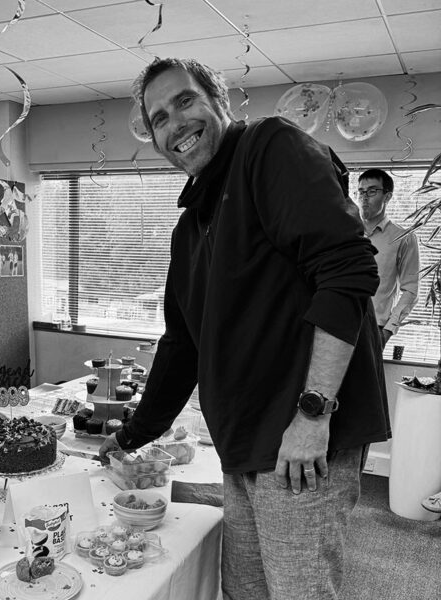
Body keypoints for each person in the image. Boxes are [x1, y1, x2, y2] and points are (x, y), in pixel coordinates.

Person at [98, 58, 390, 600]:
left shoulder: (269, 149)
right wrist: (133, 432)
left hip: (298, 444)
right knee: (245, 592)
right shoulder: (191, 228)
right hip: (242, 445)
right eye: (158, 118)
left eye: (184, 101)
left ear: (218, 100)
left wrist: (312, 413)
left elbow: (348, 272)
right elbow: (182, 345)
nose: (174, 124)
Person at [357, 168, 420, 349]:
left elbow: (411, 289)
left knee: (367, 378)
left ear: (387, 196)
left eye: (372, 191)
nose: (364, 197)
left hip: (373, 327)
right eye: (361, 191)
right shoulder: (345, 232)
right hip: (336, 322)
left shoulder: (403, 237)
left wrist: (388, 330)